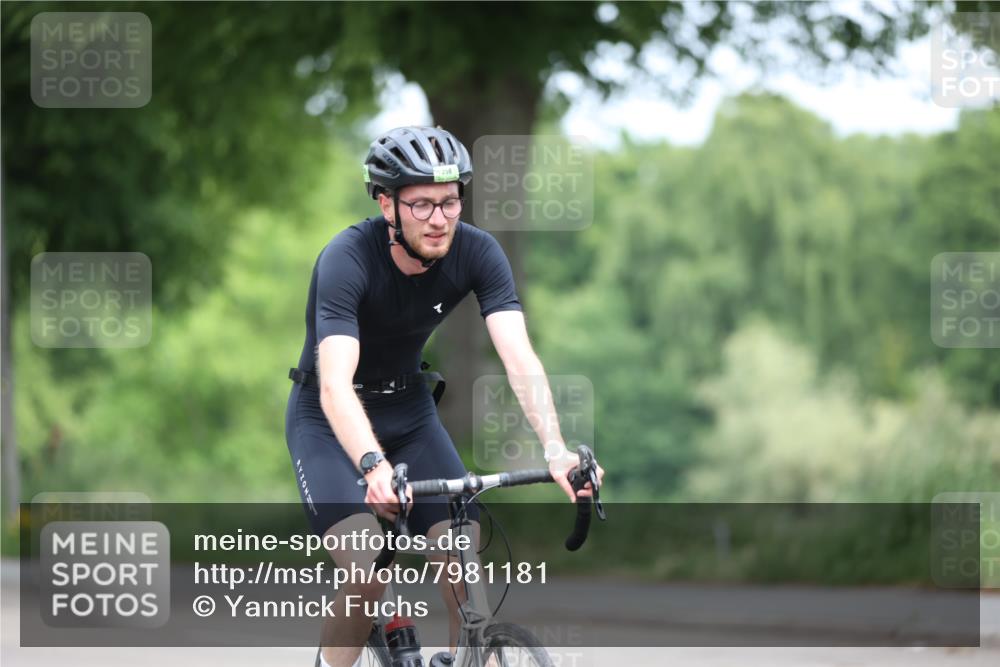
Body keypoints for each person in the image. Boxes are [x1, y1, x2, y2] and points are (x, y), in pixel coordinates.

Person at [285, 125, 604, 667]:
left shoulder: (478, 252)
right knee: (366, 573)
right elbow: (336, 382)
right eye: (423, 204)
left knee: (463, 568)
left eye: (451, 202)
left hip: (409, 414)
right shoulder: (347, 259)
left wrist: (556, 450)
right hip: (328, 422)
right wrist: (372, 465)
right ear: (386, 203)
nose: (439, 219)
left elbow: (519, 359)